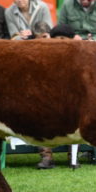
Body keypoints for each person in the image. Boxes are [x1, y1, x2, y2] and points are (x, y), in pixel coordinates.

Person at [36, 23, 80, 169]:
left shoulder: (78, 57)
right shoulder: (45, 56)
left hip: (71, 101)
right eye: (57, 38)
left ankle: (73, 158)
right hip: (48, 101)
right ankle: (46, 156)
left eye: (64, 38)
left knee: (76, 115)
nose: (61, 41)